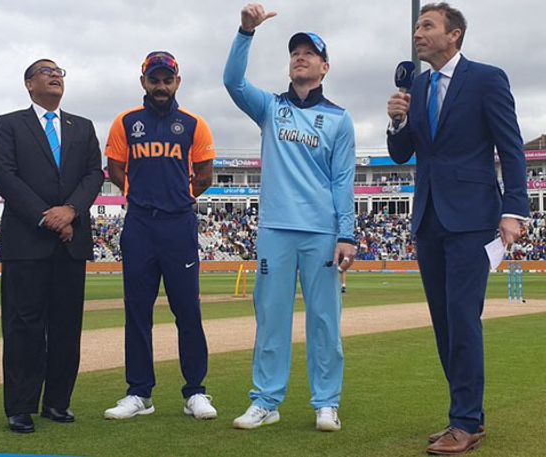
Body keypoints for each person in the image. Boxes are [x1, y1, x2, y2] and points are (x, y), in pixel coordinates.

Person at [386, 3, 528, 454]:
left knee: (463, 319)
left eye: (427, 25)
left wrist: (514, 210)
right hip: (428, 217)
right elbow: (401, 154)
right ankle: (466, 415)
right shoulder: (418, 85)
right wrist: (396, 120)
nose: (418, 33)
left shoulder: (487, 78)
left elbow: (512, 148)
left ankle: (465, 421)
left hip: (472, 219)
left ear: (455, 35)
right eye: (416, 26)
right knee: (445, 323)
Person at [224, 4, 357, 431]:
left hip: (320, 233)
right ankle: (266, 399)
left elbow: (342, 181)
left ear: (324, 67)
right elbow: (232, 81)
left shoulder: (339, 119)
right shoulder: (270, 108)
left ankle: (326, 402)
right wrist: (245, 33)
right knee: (271, 319)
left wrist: (347, 234)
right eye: (295, 52)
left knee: (324, 322)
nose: (300, 57)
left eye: (309, 53)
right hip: (275, 231)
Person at [103, 51, 218, 421]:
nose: (161, 86)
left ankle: (195, 391)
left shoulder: (193, 124)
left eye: (167, 80)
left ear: (177, 83)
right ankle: (139, 393)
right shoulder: (126, 122)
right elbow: (115, 168)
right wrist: (139, 195)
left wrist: (177, 199)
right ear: (144, 83)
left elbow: (204, 176)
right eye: (154, 79)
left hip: (178, 225)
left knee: (187, 310)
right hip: (139, 224)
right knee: (137, 311)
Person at [0, 59, 103, 434]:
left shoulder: (83, 127)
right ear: (28, 84)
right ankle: (20, 405)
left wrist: (70, 211)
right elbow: (5, 176)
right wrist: (46, 216)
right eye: (45, 71)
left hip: (71, 240)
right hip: (27, 240)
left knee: (67, 326)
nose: (55, 76)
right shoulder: (9, 124)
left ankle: (57, 402)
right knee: (23, 326)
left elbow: (93, 175)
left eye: (59, 72)